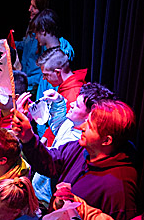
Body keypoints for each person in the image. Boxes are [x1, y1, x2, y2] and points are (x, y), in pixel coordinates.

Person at [12, 98, 138, 220]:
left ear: (106, 141)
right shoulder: (80, 148)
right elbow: (49, 163)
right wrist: (28, 137)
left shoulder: (118, 188)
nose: (82, 127)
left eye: (90, 126)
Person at [28, 82, 117, 210]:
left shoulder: (81, 143)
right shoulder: (70, 124)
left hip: (47, 200)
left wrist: (30, 138)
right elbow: (58, 124)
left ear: (89, 116)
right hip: (38, 192)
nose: (71, 104)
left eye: (77, 105)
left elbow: (52, 161)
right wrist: (58, 101)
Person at [35, 48, 88, 147]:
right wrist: (45, 138)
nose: (43, 78)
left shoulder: (73, 94)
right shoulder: (66, 86)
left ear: (58, 72)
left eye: (46, 75)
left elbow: (65, 131)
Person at [16, 0, 54, 98]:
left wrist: (27, 79)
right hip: (25, 83)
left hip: (34, 88)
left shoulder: (46, 38)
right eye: (30, 5)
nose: (29, 9)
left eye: (34, 7)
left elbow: (45, 74)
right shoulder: (32, 27)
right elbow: (26, 45)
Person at [30, 10, 76, 100]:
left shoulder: (63, 54)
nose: (36, 37)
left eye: (36, 33)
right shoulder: (46, 52)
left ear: (43, 31)